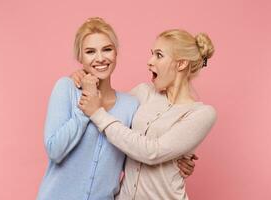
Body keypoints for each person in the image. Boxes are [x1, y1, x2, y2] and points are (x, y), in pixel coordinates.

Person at [37, 18, 194, 200]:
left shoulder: (130, 104)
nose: (100, 58)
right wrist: (87, 104)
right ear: (80, 57)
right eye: (90, 52)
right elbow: (55, 152)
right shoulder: (66, 88)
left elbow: (137, 154)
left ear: (116, 53)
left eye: (107, 49)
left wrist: (174, 161)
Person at [76, 29, 216, 199]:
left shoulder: (201, 113)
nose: (149, 62)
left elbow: (153, 152)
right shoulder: (143, 92)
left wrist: (98, 114)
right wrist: (79, 78)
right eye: (152, 54)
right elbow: (109, 110)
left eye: (159, 55)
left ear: (181, 64)